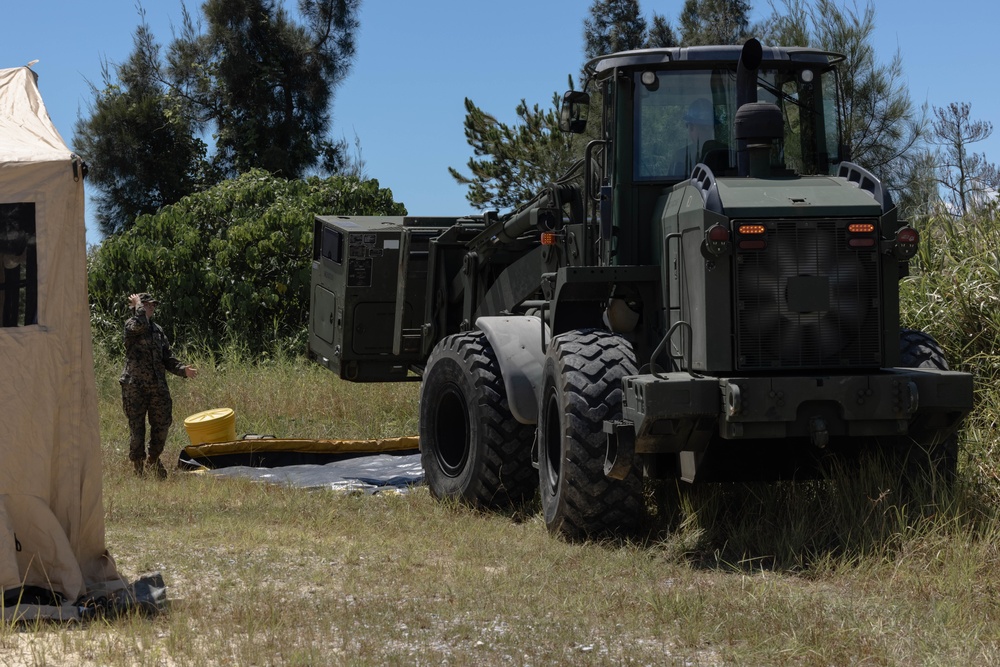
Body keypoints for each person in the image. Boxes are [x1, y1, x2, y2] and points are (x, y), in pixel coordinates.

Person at [120, 292, 198, 478]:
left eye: (153, 305)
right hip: (135, 387)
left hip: (157, 387)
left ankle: (153, 460)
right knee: (137, 429)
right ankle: (138, 467)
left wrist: (182, 370)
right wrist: (137, 304)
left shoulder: (157, 330)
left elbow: (167, 358)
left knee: (162, 425)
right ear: (137, 306)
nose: (151, 308)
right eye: (147, 305)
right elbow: (140, 324)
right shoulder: (132, 325)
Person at [672, 98, 728, 175]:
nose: (707, 132)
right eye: (704, 127)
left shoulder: (725, 153)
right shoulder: (681, 156)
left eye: (708, 127)